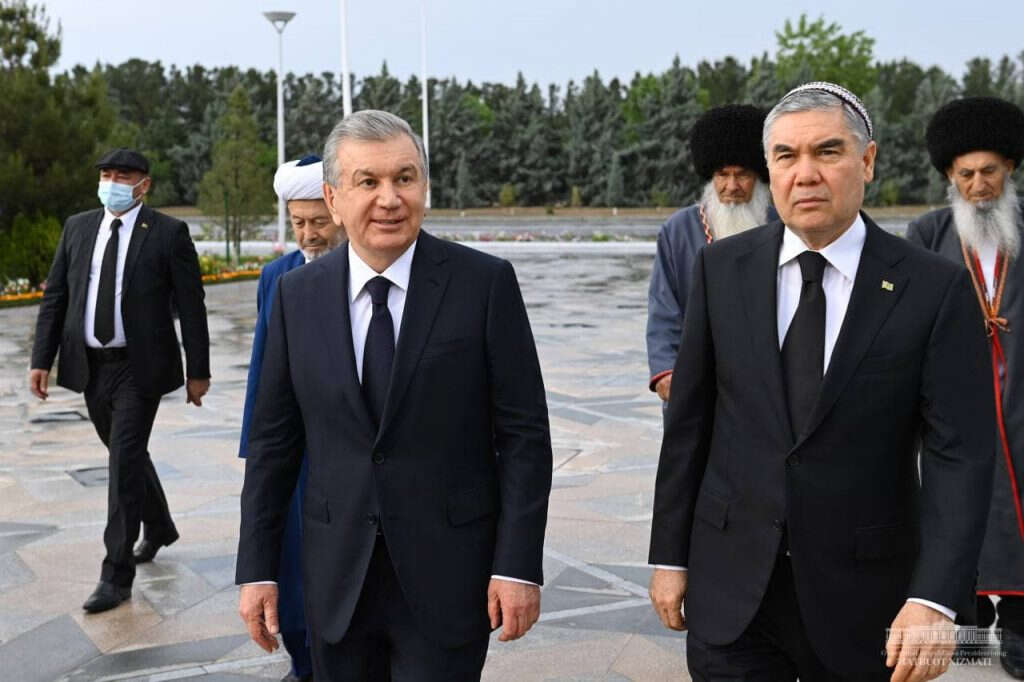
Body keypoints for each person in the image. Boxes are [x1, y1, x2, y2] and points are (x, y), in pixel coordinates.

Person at [647, 82, 995, 681]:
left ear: (867, 161)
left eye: (827, 152)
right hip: (733, 595)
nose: (804, 174)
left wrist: (935, 599)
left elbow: (958, 455)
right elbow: (689, 429)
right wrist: (669, 557)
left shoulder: (933, 288)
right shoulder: (721, 269)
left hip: (867, 601)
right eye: (786, 156)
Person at [235, 110, 553, 681]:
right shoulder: (295, 297)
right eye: (368, 181)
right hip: (335, 578)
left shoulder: (483, 285)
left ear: (424, 187)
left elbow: (524, 437)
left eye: (404, 178)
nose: (390, 198)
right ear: (333, 199)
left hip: (449, 575)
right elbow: (272, 446)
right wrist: (257, 569)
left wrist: (517, 566)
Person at [29, 148, 210, 613]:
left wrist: (198, 370)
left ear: (144, 184)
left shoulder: (167, 233)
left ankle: (115, 576)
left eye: (122, 175)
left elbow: (191, 304)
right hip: (91, 366)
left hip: (140, 367)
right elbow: (56, 296)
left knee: (123, 461)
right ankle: (160, 525)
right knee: (124, 455)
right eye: (106, 174)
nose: (111, 182)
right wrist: (41, 358)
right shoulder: (78, 227)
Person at [906, 95, 1024, 679]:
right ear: (950, 176)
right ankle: (969, 624)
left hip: (1021, 399)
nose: (979, 186)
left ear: (1010, 169)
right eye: (966, 174)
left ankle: (1022, 629)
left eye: (990, 172)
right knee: (958, 509)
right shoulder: (927, 233)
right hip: (956, 405)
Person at [238, 155, 345, 682]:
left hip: (345, 442)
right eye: (298, 223)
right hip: (292, 445)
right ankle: (305, 661)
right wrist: (255, 447)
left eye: (317, 222)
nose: (308, 234)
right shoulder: (275, 277)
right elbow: (262, 366)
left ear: (338, 211)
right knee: (292, 556)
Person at [647, 104, 776, 402]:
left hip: (767, 383)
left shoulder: (783, 226)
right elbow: (663, 309)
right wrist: (666, 371)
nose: (732, 186)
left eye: (742, 175)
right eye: (722, 175)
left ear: (759, 176)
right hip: (697, 379)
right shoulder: (678, 230)